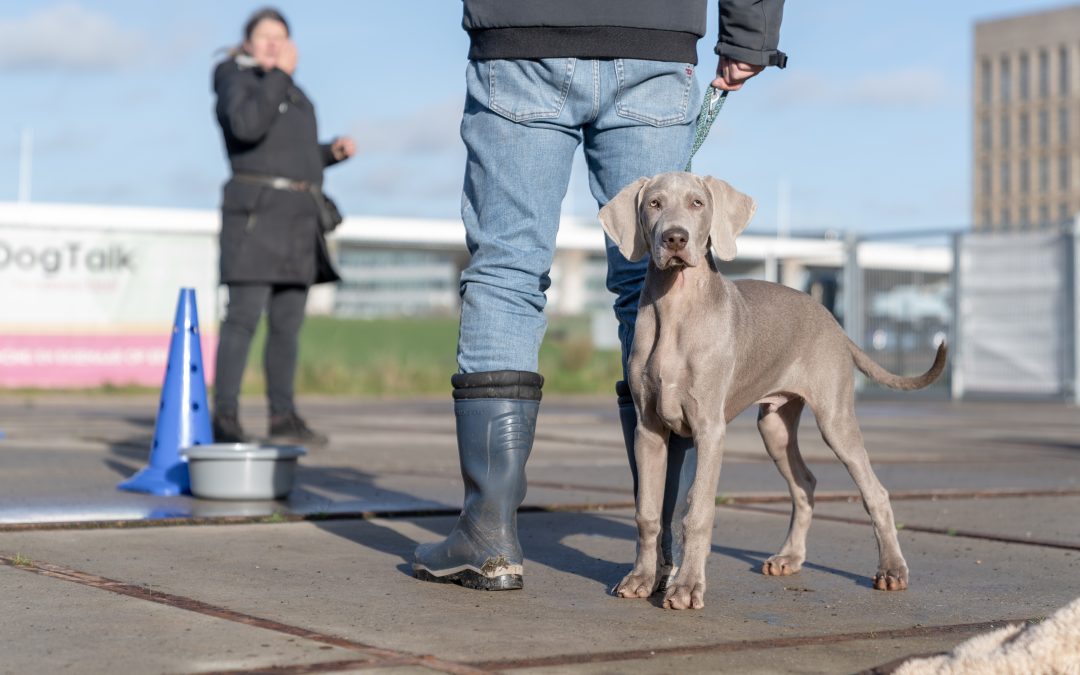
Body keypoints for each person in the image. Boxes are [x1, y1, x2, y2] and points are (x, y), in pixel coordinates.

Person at [412, 0, 786, 590]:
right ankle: (660, 549)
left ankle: (488, 539)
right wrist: (749, 33)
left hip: (521, 34)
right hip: (653, 38)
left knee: (506, 274)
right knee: (654, 276)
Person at [210, 7, 356, 446]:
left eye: (281, 36)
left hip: (297, 220)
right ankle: (225, 418)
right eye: (264, 35)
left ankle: (282, 416)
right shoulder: (233, 76)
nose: (274, 42)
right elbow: (246, 127)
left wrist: (330, 153)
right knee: (242, 320)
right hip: (256, 216)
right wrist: (278, 76)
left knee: (288, 325)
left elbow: (289, 151)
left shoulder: (292, 90)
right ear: (248, 42)